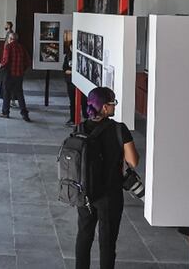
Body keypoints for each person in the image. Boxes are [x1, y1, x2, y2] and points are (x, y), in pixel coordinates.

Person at [75, 87, 138, 269]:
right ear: (104, 107)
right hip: (110, 194)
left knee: (84, 235)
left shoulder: (80, 128)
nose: (114, 106)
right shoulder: (119, 129)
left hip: (85, 191)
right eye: (112, 103)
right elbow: (133, 161)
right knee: (107, 242)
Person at [0, 32, 31, 121]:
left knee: (7, 93)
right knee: (20, 94)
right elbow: (28, 61)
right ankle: (24, 114)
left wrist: (1, 66)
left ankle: (5, 112)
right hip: (19, 75)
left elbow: (5, 61)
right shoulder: (22, 47)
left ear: (10, 39)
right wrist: (22, 69)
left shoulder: (8, 47)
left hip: (9, 74)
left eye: (9, 38)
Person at [63, 42, 76, 126]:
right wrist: (73, 72)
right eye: (71, 46)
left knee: (84, 101)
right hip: (70, 82)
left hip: (79, 82)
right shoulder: (68, 56)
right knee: (72, 101)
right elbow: (65, 69)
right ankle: (72, 118)